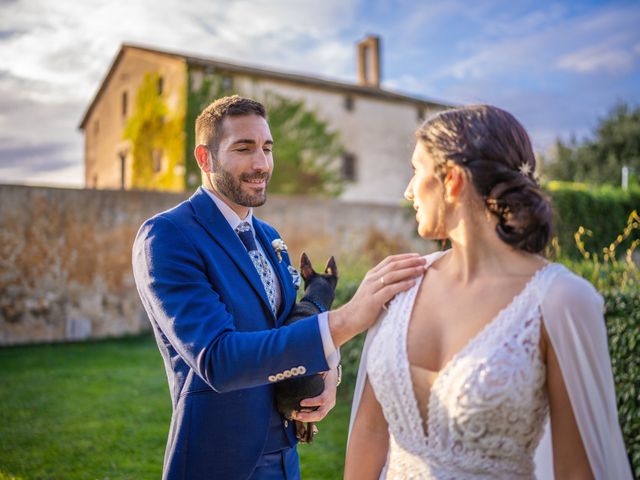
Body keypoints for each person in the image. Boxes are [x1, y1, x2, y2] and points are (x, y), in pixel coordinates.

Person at [132, 95, 426, 480]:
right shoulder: (168, 235)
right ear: (205, 159)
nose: (261, 164)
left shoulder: (269, 236)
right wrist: (346, 320)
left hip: (286, 456)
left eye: (267, 148)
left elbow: (285, 327)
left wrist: (328, 374)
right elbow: (218, 359)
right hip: (221, 459)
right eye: (244, 148)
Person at [345, 105, 632, 479]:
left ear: (453, 181)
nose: (408, 191)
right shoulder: (402, 283)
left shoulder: (561, 300)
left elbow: (578, 472)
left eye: (416, 171)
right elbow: (369, 431)